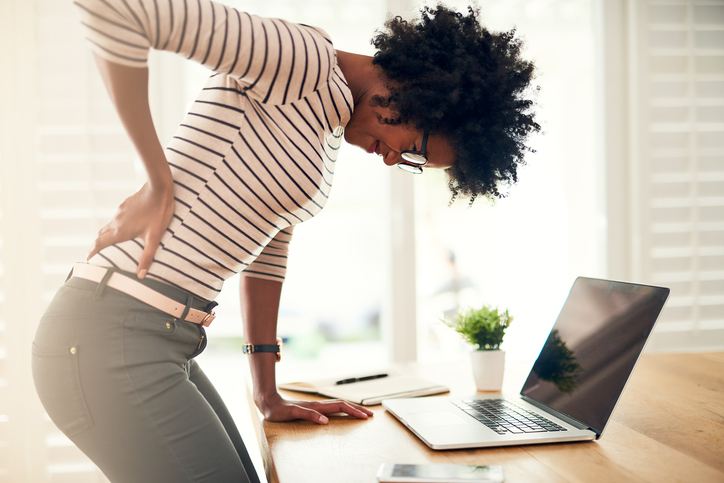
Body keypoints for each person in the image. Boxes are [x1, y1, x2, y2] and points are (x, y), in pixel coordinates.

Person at [31, 0, 540, 481]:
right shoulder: (303, 60)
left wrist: (266, 388)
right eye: (417, 152)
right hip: (109, 334)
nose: (394, 162)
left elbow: (267, 255)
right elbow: (121, 14)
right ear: (419, 93)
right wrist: (157, 180)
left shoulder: (328, 131)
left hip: (164, 338)